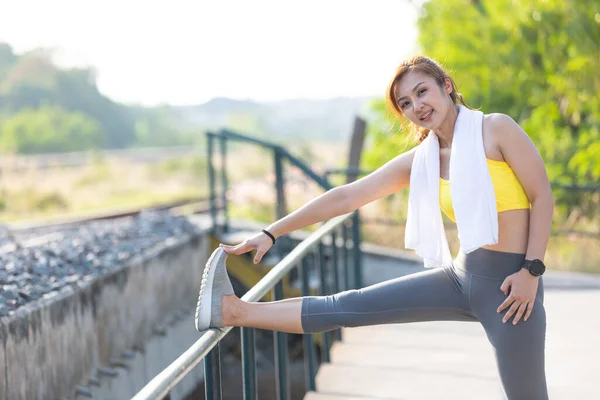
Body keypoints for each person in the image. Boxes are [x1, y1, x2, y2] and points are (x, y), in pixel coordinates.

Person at [194, 56, 553, 400]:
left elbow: (542, 197)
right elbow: (347, 197)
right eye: (406, 102)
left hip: (510, 291)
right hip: (462, 277)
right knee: (346, 307)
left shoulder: (496, 129)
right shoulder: (423, 159)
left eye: (422, 91)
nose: (417, 106)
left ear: (446, 85)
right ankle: (234, 311)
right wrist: (271, 232)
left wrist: (531, 271)